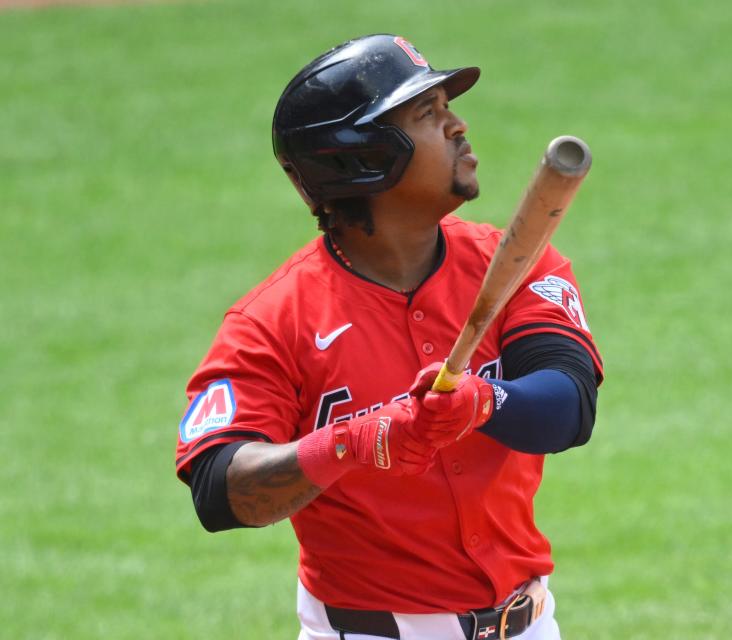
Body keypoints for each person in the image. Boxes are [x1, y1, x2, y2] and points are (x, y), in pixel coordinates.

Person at [175, 34, 603, 640]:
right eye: (427, 114)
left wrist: (480, 402)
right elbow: (220, 489)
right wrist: (356, 442)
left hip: (527, 626)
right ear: (360, 157)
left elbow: (568, 407)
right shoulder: (272, 323)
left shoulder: (516, 264)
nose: (458, 126)